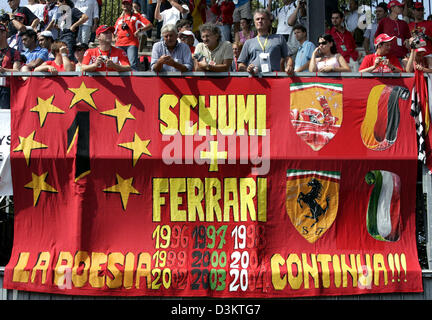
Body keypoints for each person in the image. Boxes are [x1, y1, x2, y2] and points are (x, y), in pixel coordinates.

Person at [237, 9, 293, 75]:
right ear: (254, 23)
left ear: (268, 22)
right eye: (257, 19)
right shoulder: (248, 43)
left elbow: (288, 57)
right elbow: (240, 65)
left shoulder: (279, 38)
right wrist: (247, 69)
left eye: (262, 19)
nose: (260, 21)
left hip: (274, 78)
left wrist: (289, 66)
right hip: (255, 78)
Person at [114, 0, 153, 71]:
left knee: (133, 65)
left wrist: (140, 30)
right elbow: (113, 31)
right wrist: (113, 38)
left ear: (131, 5)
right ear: (122, 6)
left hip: (131, 44)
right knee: (118, 65)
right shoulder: (119, 19)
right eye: (124, 4)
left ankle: (135, 80)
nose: (125, 5)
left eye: (127, 4)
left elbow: (150, 25)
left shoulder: (137, 16)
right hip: (119, 44)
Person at [0, 23, 22, 109]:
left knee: (3, 117)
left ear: (4, 33)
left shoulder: (14, 52)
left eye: (1, 32)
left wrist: (3, 70)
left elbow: (17, 71)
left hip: (6, 89)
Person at [408, 1, 432, 68]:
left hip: (428, 55)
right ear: (413, 11)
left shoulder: (430, 23)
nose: (420, 12)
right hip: (415, 56)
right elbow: (407, 41)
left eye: (422, 10)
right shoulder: (409, 25)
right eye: (418, 10)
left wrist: (427, 37)